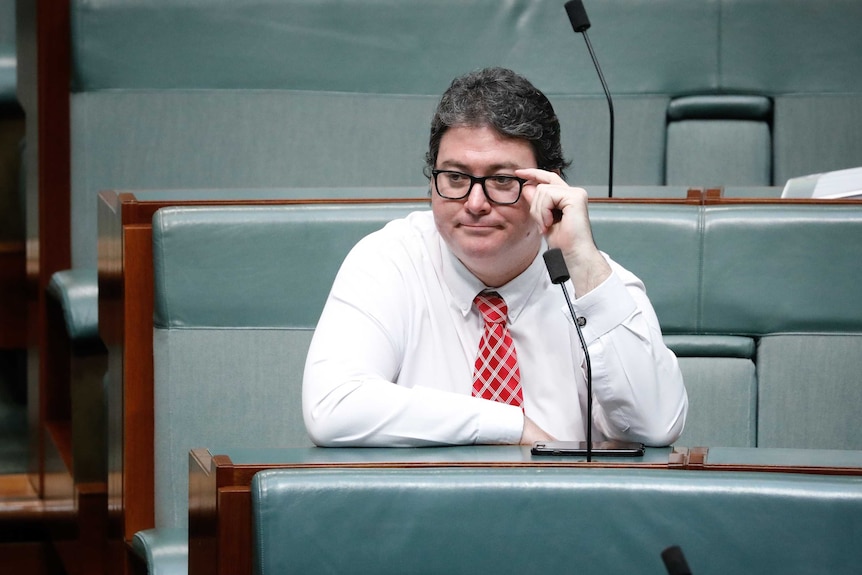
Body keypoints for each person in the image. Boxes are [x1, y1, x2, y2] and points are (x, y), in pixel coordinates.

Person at [302, 67, 687, 447]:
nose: (474, 203)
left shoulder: (597, 283)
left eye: (502, 180)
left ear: (549, 184)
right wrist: (508, 426)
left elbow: (657, 426)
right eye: (455, 177)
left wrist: (581, 259)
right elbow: (331, 406)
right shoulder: (388, 261)